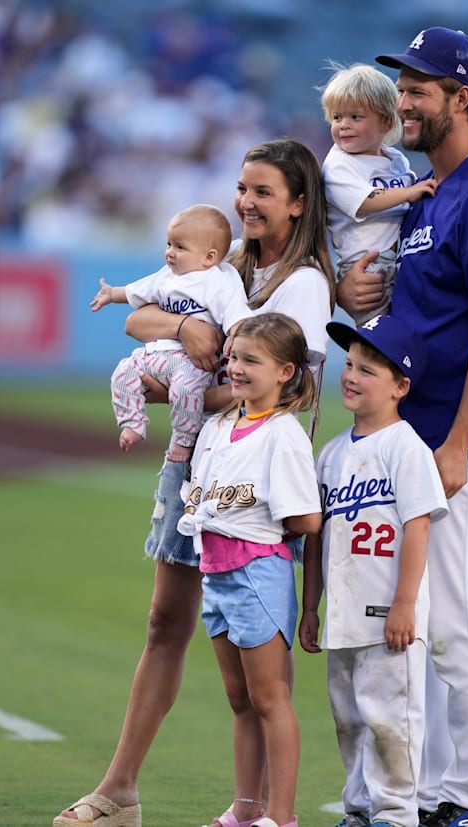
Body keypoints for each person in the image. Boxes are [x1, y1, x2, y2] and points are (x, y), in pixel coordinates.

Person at [54, 137, 336, 827]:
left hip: (255, 480)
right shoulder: (226, 258)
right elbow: (136, 317)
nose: (246, 202)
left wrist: (186, 388)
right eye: (242, 188)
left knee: (259, 675)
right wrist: (185, 328)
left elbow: (288, 388)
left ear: (299, 204)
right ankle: (121, 791)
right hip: (197, 465)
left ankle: (266, 810)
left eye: (263, 192)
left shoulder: (303, 284)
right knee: (164, 622)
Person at [336, 27, 468, 827]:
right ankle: (421, 795)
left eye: (419, 88)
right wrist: (360, 301)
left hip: (467, 445)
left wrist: (456, 444)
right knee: (411, 630)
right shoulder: (431, 192)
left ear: (462, 97)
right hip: (412, 441)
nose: (404, 102)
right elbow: (421, 318)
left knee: (455, 623)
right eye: (402, 87)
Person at [299, 314, 448, 827]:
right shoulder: (330, 454)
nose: (351, 376)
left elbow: (418, 527)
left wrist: (405, 604)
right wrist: (310, 607)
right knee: (350, 719)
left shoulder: (407, 448)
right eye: (350, 364)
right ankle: (360, 810)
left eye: (368, 370)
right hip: (343, 614)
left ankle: (396, 814)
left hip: (389, 615)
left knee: (390, 719)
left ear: (400, 386)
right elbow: (316, 541)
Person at [178, 312, 322, 827]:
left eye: (251, 361)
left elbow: (306, 519)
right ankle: (245, 810)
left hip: (258, 572)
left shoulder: (284, 434)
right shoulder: (219, 426)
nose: (236, 368)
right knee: (240, 699)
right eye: (234, 358)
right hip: (216, 573)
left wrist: (262, 522)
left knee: (269, 698)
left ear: (285, 372)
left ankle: (280, 816)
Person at [90, 203, 252, 461]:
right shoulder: (167, 276)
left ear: (209, 257)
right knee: (123, 372)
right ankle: (133, 422)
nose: (170, 253)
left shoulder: (219, 279)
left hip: (191, 361)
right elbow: (137, 291)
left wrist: (235, 335)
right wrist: (112, 294)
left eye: (180, 247)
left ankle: (184, 441)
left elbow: (236, 311)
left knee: (186, 391)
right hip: (156, 352)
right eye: (168, 244)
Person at [319, 62, 436, 326]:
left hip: (398, 255)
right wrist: (408, 193)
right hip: (366, 266)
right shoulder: (338, 165)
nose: (344, 125)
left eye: (355, 117)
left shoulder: (395, 159)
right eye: (337, 117)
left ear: (386, 122)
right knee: (381, 336)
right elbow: (364, 202)